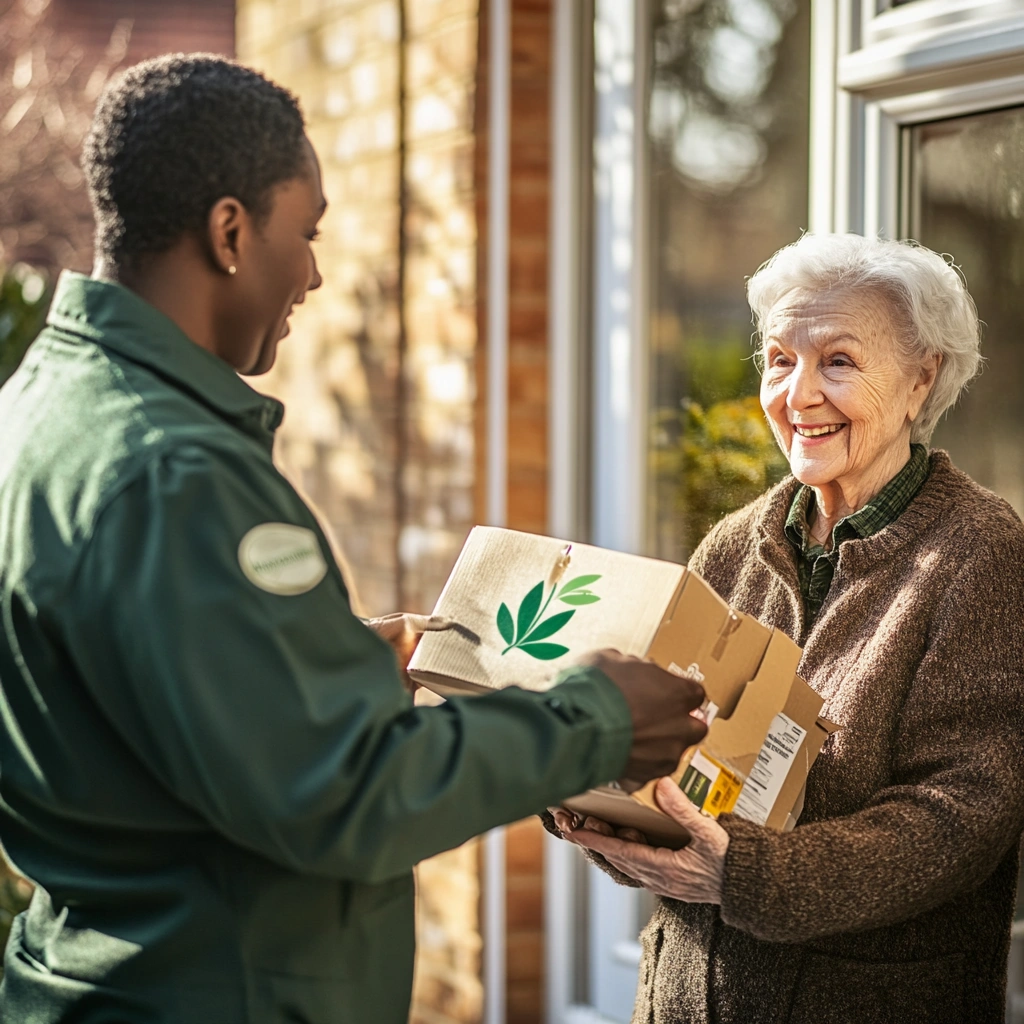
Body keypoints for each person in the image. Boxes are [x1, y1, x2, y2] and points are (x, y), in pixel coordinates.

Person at [0, 55, 709, 1024]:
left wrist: (318, 666)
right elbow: (348, 799)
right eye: (310, 231)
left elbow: (133, 698)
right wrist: (599, 719)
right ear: (231, 232)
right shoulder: (180, 471)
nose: (317, 272)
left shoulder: (34, 415)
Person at [550, 233, 1024, 1024]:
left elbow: (960, 816)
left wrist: (745, 875)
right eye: (778, 359)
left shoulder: (981, 553)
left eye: (837, 360)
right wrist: (597, 794)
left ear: (921, 378)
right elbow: (681, 751)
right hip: (684, 998)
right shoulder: (735, 544)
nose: (797, 395)